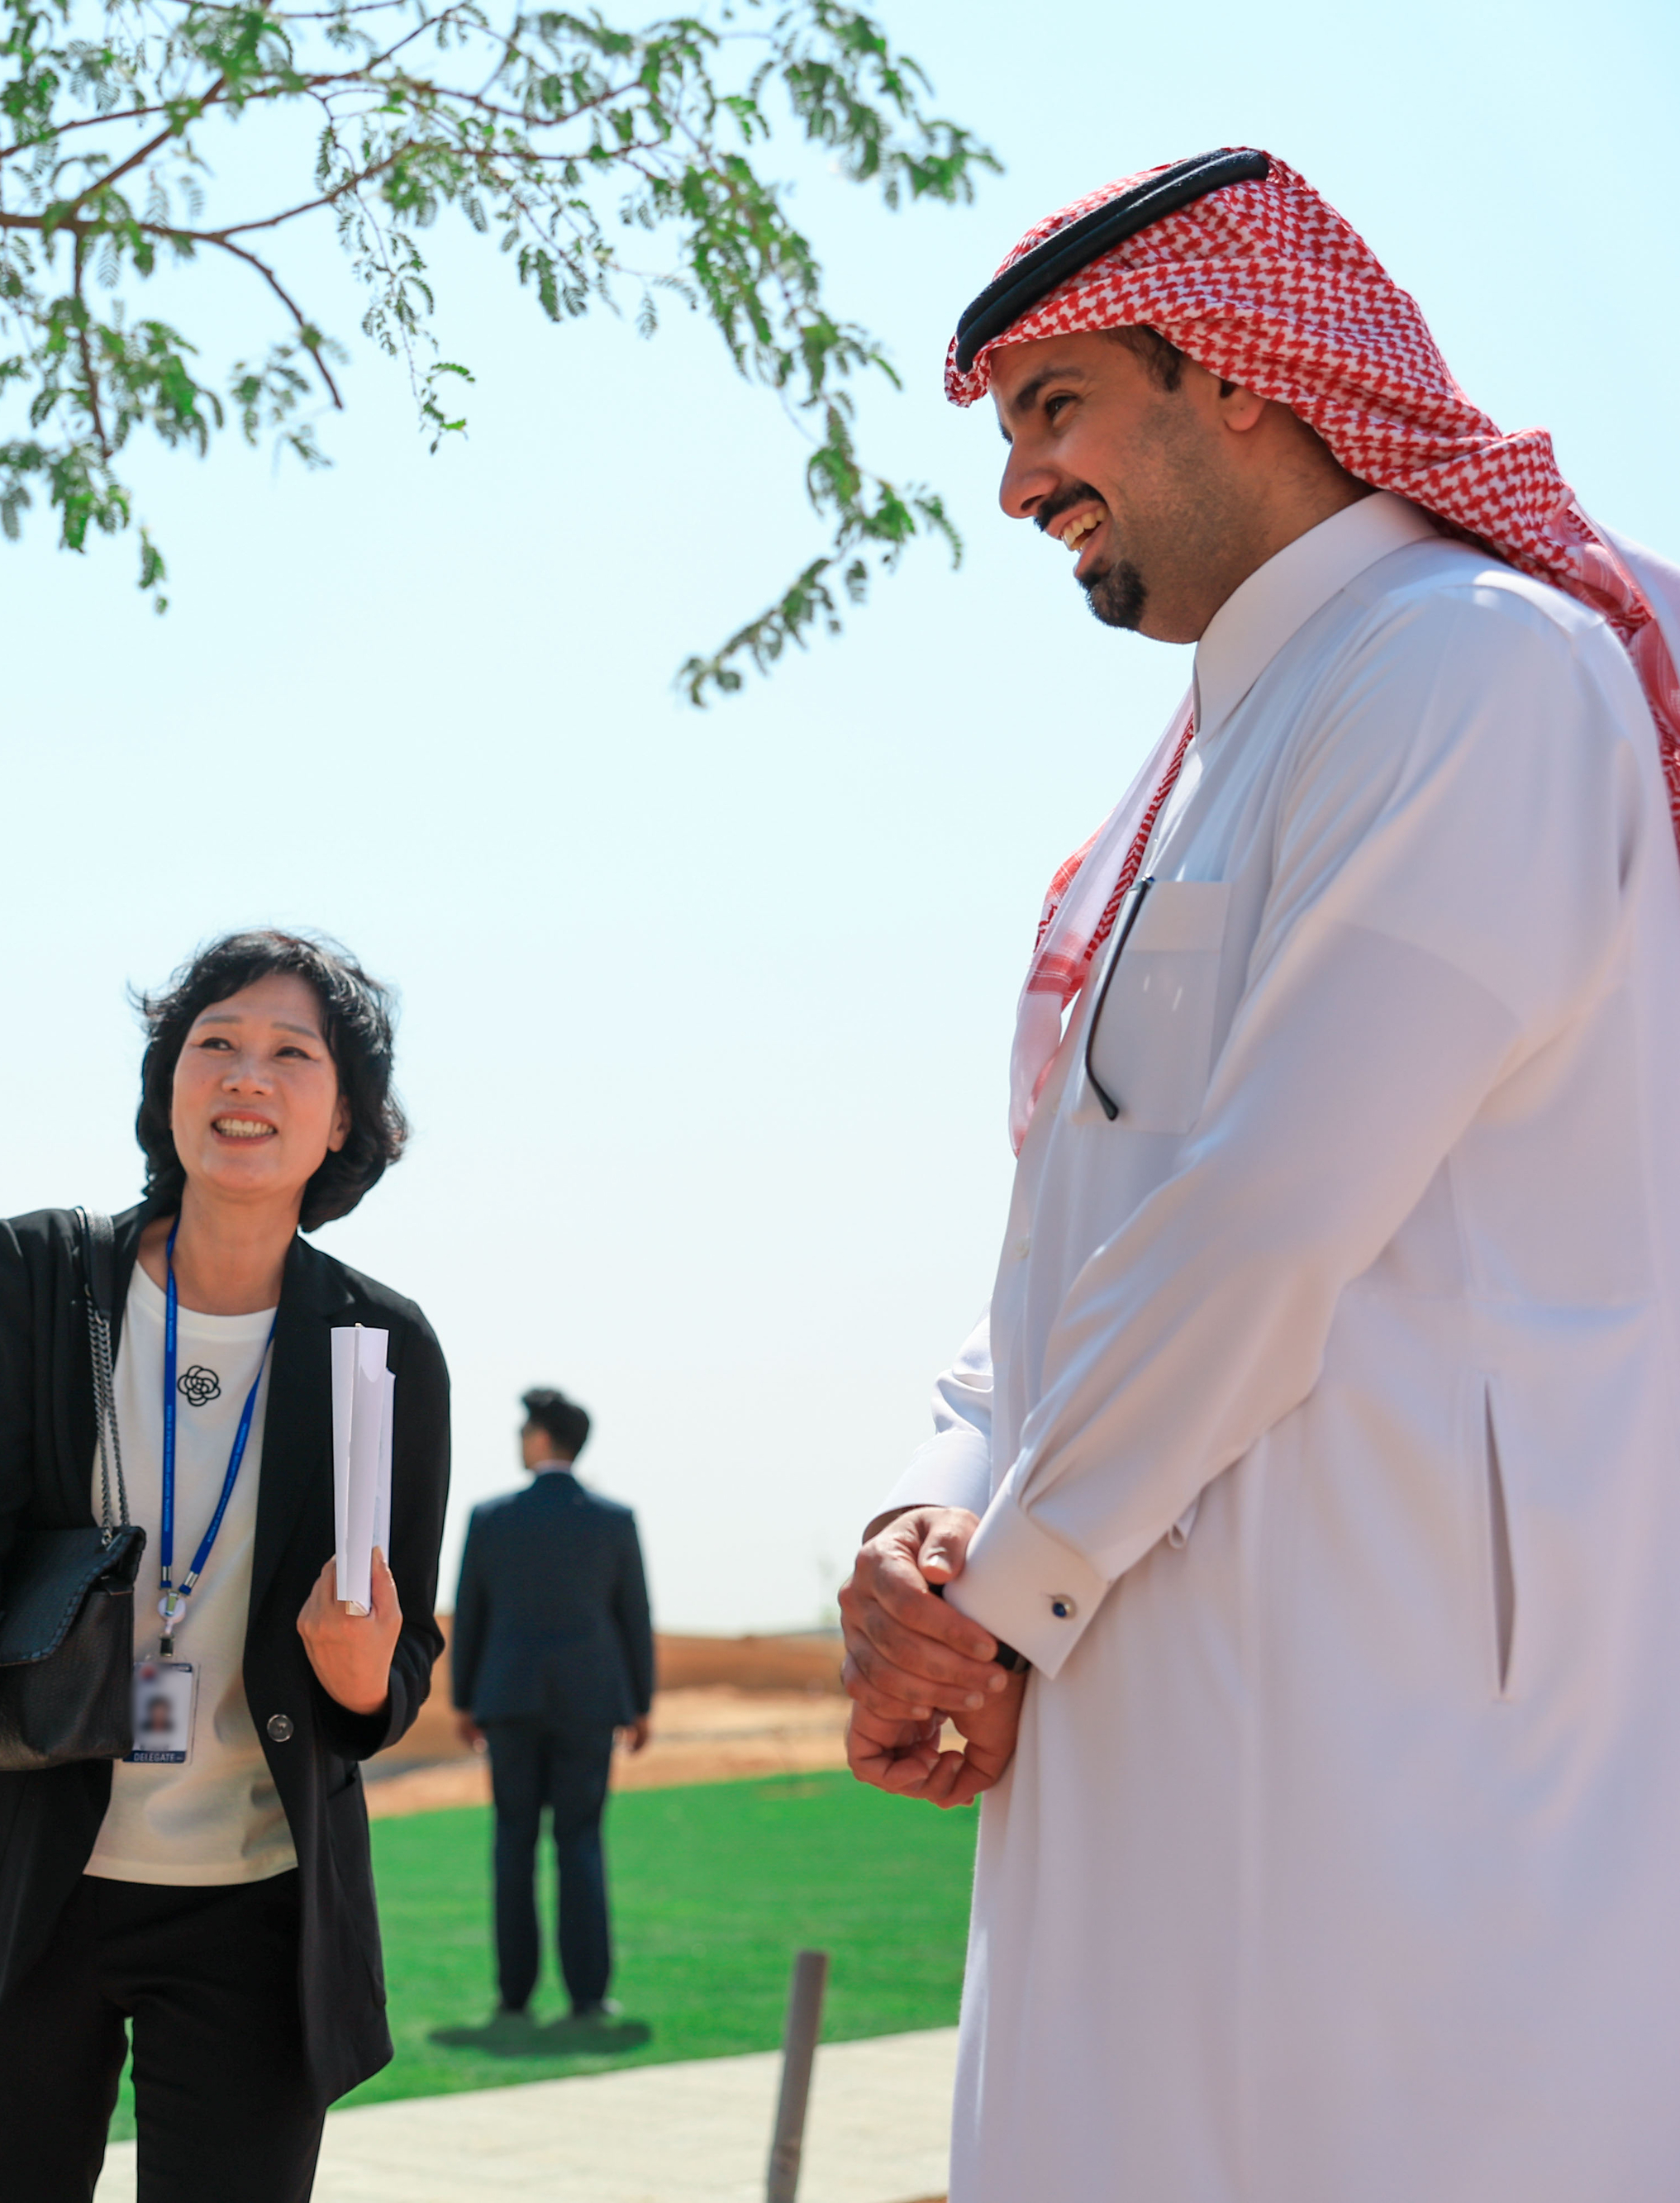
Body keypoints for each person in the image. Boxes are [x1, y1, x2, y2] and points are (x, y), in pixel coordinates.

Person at [834, 150, 1680, 2202]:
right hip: (1128, 1668)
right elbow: (1072, 1219)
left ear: (1239, 373)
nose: (1018, 488)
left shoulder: (1470, 664)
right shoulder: (1196, 755)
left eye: (1055, 408)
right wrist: (935, 1520)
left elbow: (1271, 1205)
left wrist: (1011, 1590)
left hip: (1384, 1720)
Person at [0, 929, 450, 2203]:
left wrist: (363, 1676)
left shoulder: (383, 1345)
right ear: (169, 1084)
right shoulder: (37, 1274)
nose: (247, 1075)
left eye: (292, 1053)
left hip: (260, 1905)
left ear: (345, 1114)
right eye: (215, 1044)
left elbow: (393, 1674)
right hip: (24, 1879)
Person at [447, 1386, 650, 2025]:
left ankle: (514, 1994)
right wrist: (639, 1703)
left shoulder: (491, 1517)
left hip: (505, 1701)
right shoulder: (613, 1519)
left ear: (540, 1439)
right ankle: (588, 1995)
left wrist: (464, 1699)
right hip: (591, 1703)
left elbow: (469, 1615)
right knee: (581, 1841)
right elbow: (633, 1619)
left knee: (513, 1843)